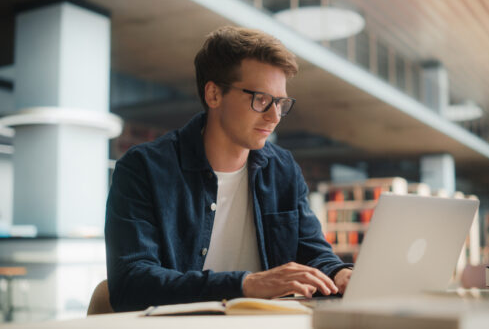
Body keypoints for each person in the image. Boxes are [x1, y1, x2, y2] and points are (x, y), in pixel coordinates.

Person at [105, 26, 352, 312]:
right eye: (260, 99)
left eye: (281, 103)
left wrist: (339, 273)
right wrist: (246, 284)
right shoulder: (143, 169)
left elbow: (314, 254)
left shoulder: (283, 168)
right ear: (213, 95)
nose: (274, 116)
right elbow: (130, 284)